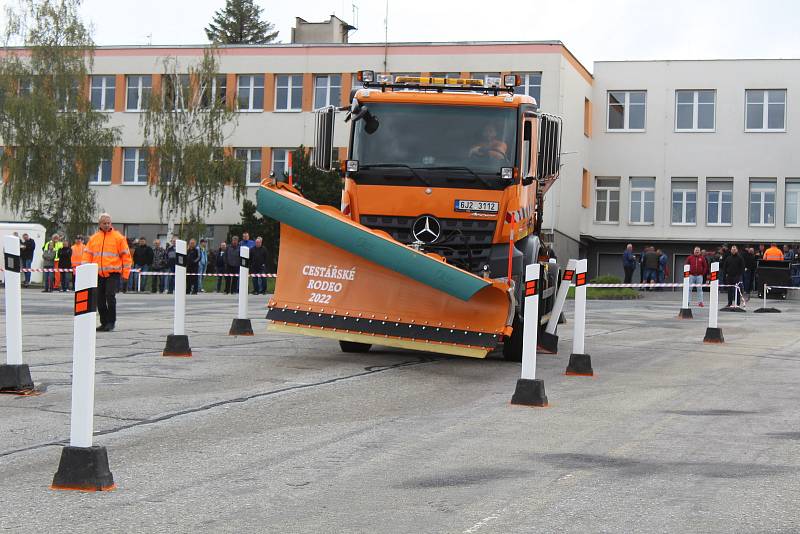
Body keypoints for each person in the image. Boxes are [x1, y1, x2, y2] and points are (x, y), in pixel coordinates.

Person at [83, 213, 132, 332]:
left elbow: (126, 257)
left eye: (108, 223)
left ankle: (111, 322)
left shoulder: (119, 238)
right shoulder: (94, 238)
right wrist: (85, 271)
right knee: (99, 299)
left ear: (111, 224)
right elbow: (87, 255)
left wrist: (125, 274)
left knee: (110, 297)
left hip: (113, 273)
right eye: (104, 223)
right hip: (98, 274)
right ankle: (104, 322)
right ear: (99, 224)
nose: (106, 225)